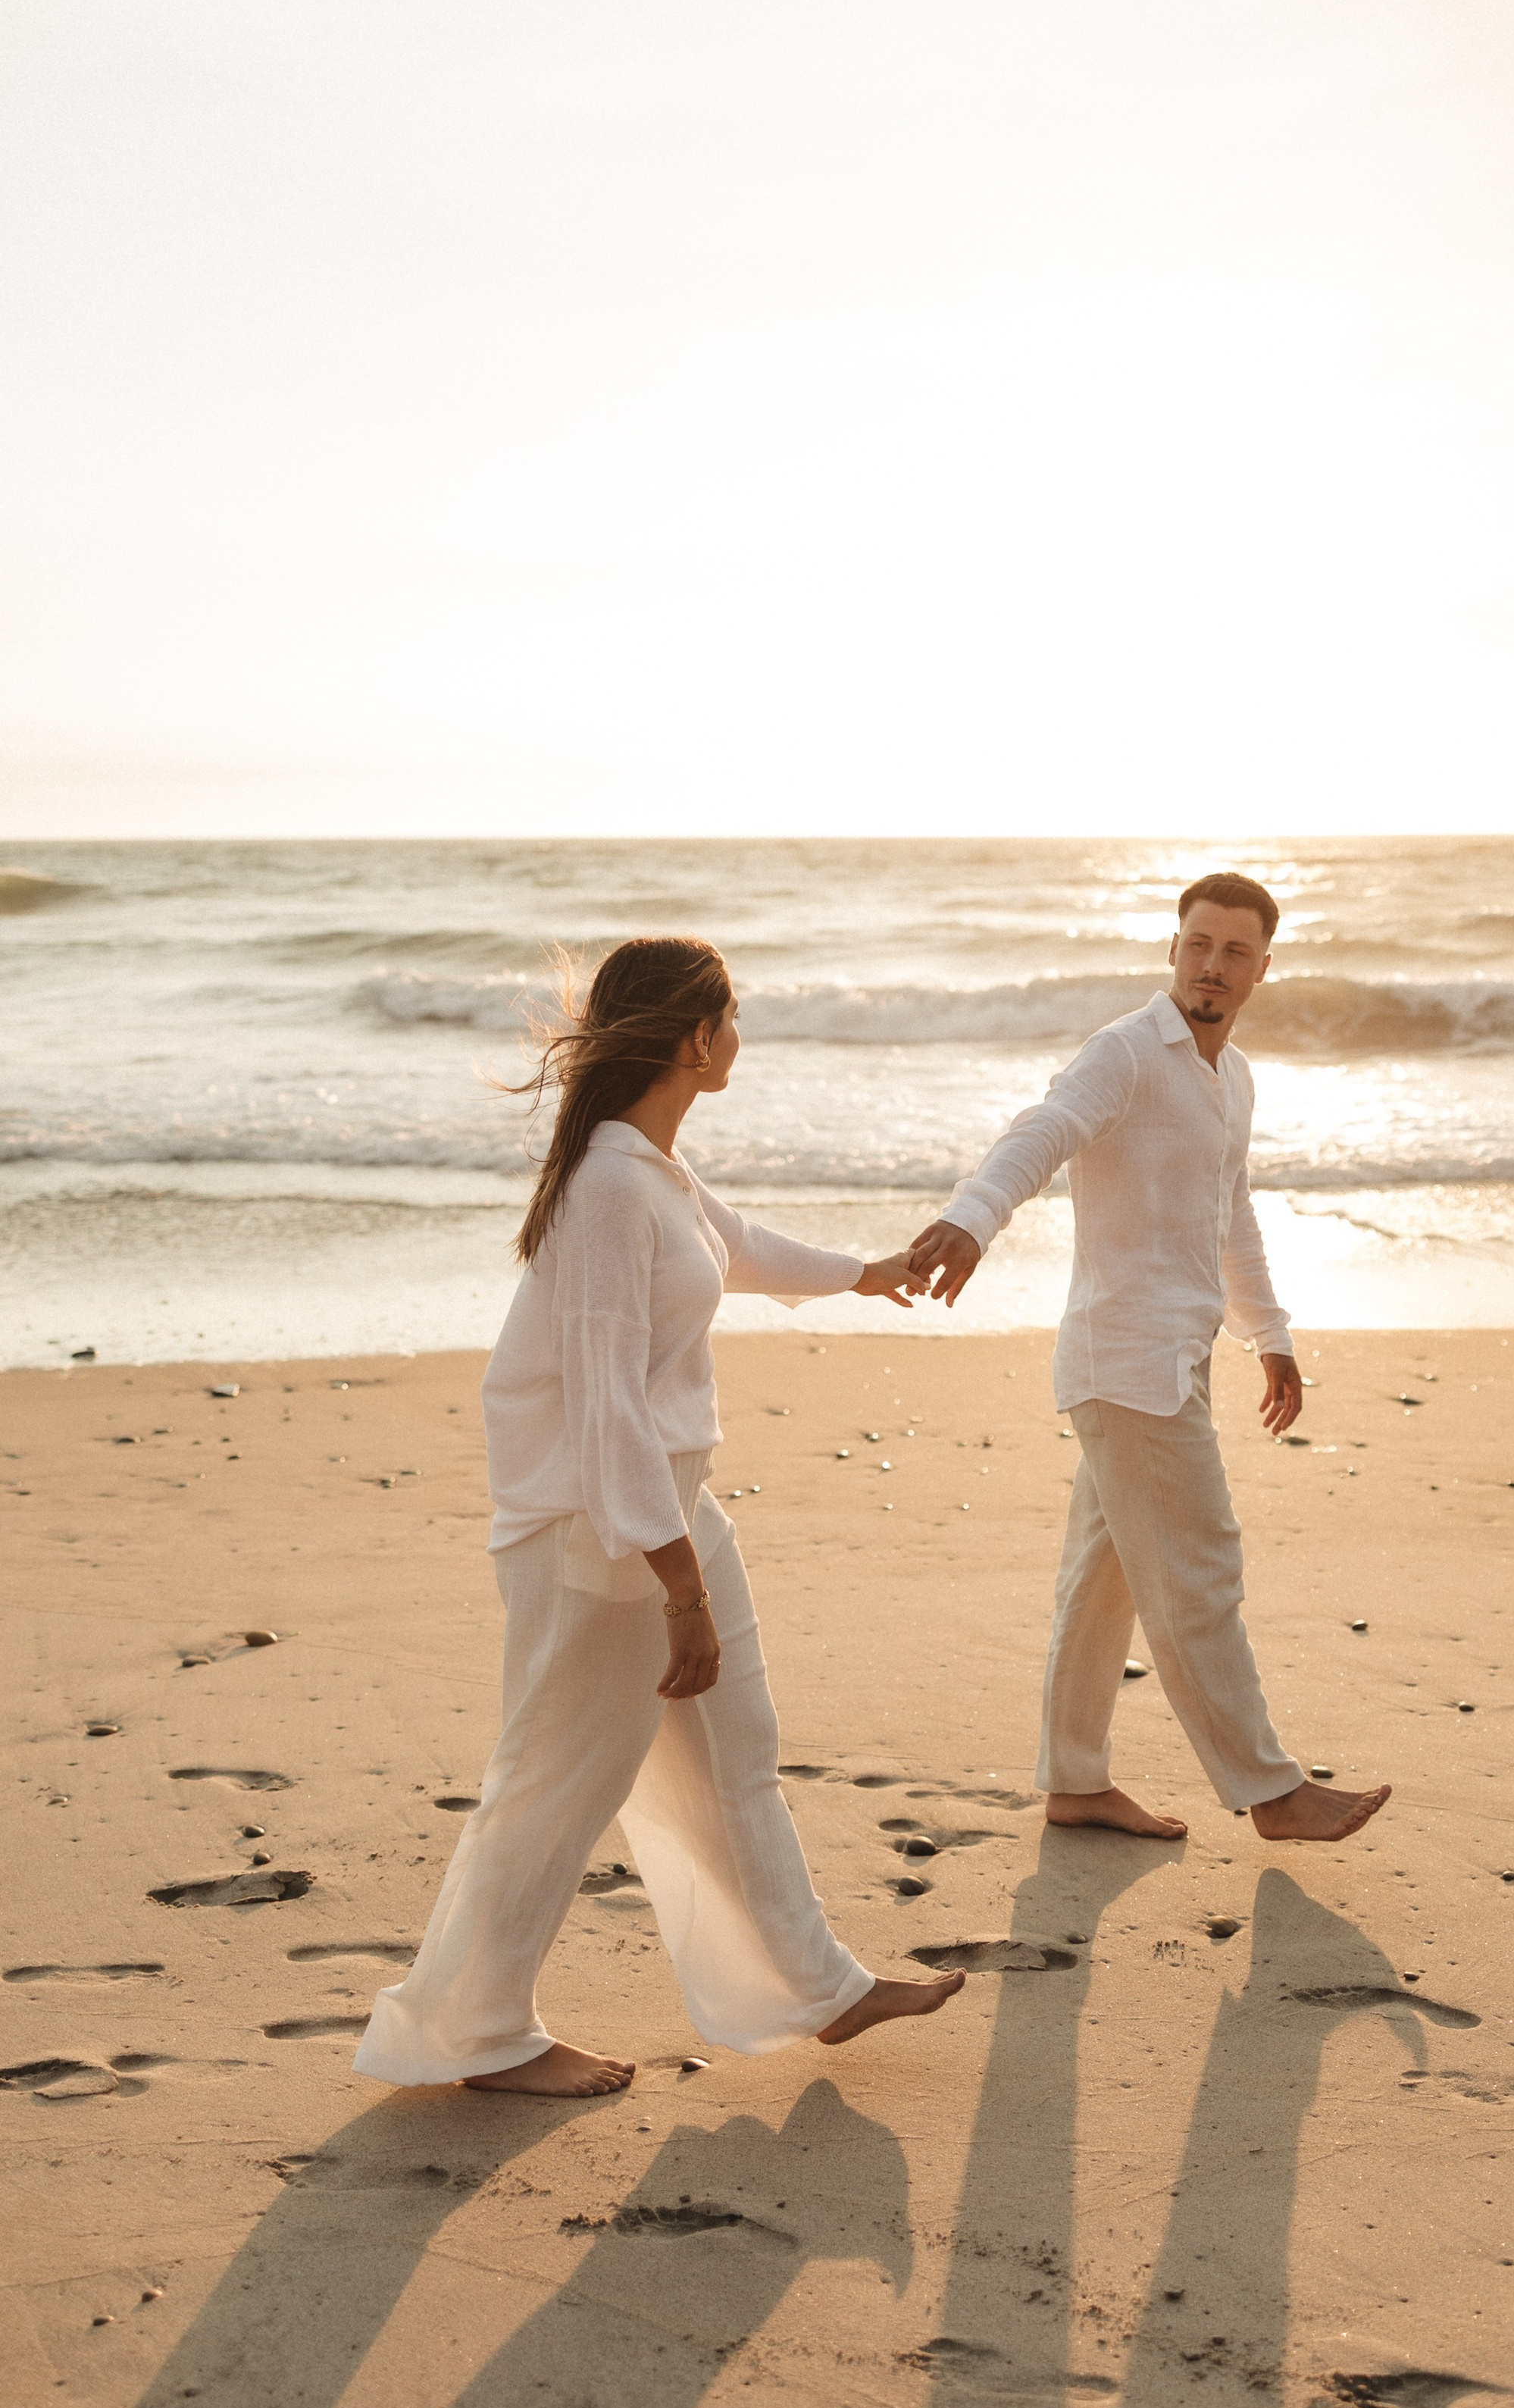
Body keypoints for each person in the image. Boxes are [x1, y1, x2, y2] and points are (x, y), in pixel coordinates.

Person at [355, 935, 965, 2100]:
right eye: (731, 1019)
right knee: (556, 1783)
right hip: (597, 1535)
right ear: (696, 1038)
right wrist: (676, 1587)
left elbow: (734, 1251)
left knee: (737, 1757)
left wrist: (867, 1273)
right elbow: (607, 1418)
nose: (740, 1039)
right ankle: (474, 2033)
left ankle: (817, 1989)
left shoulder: (651, 1172)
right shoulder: (606, 1193)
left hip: (663, 1514)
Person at [908, 872, 1390, 1848]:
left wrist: (1272, 1333)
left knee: (1107, 1577)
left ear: (1261, 967)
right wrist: (972, 1219)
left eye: (1236, 952)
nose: (1214, 966)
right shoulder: (1125, 1054)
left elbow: (1233, 1211)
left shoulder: (1232, 1076)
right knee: (1200, 1563)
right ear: (1172, 948)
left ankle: (1076, 1781)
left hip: (1175, 1357)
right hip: (1126, 1363)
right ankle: (1269, 1788)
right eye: (1199, 944)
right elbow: (1040, 1134)